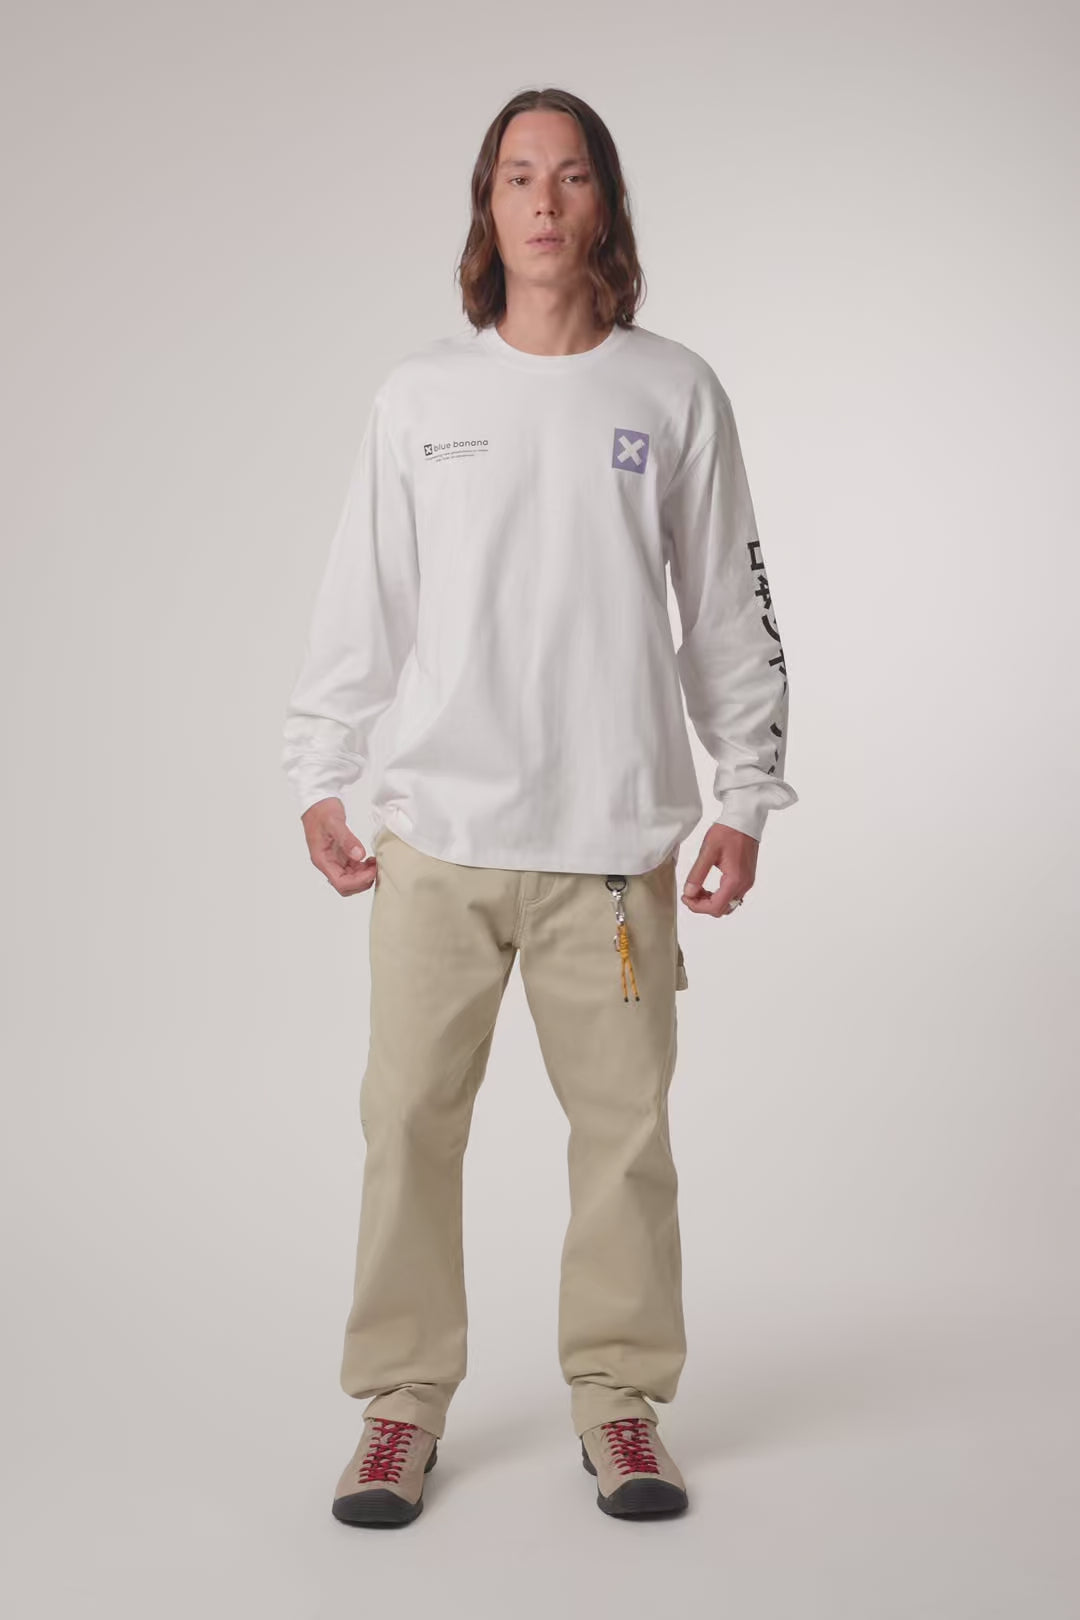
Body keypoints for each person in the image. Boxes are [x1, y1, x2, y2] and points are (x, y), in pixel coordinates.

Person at [282, 86, 798, 1528]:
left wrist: (745, 791)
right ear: (488, 207)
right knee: (407, 1126)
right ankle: (399, 1408)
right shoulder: (421, 398)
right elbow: (362, 598)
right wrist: (321, 770)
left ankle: (620, 1404)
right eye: (519, 176)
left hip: (612, 852)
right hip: (438, 845)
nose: (545, 202)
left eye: (571, 176)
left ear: (604, 205)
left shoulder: (673, 392)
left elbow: (728, 607)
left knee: (626, 1142)